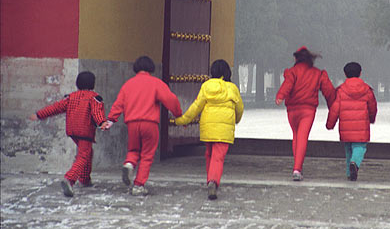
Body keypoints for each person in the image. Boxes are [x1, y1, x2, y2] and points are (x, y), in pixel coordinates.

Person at [103, 56, 182, 196]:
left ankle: (129, 164)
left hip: (132, 123)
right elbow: (170, 99)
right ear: (151, 68)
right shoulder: (156, 83)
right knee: (147, 154)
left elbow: (119, 103)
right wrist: (178, 114)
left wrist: (111, 119)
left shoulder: (128, 84)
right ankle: (139, 185)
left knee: (133, 150)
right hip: (149, 123)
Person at [175, 59, 244, 200]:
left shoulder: (206, 86)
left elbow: (196, 106)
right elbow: (240, 109)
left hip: (208, 128)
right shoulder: (232, 88)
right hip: (224, 130)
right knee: (218, 158)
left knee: (209, 155)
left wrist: (183, 120)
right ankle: (213, 181)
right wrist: (236, 120)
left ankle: (210, 179)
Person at [30, 71, 106, 197]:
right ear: (93, 84)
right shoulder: (94, 98)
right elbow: (97, 113)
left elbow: (55, 108)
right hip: (85, 130)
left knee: (87, 153)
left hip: (72, 130)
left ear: (77, 84)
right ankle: (70, 179)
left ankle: (85, 179)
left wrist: (39, 115)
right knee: (84, 155)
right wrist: (102, 123)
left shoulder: (70, 97)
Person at [276, 46, 336, 181]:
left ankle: (297, 166)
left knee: (296, 136)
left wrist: (280, 95)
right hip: (308, 110)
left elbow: (288, 84)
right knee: (302, 137)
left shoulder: (292, 72)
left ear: (296, 58)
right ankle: (297, 169)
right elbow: (329, 91)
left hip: (292, 110)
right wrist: (333, 105)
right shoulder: (318, 74)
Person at [326, 62, 377, 181]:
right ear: (360, 73)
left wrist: (330, 124)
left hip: (345, 127)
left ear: (345, 74)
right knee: (360, 147)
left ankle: (350, 173)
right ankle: (354, 163)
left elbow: (334, 109)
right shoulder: (367, 90)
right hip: (361, 127)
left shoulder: (340, 91)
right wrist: (371, 118)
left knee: (348, 149)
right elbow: (373, 107)